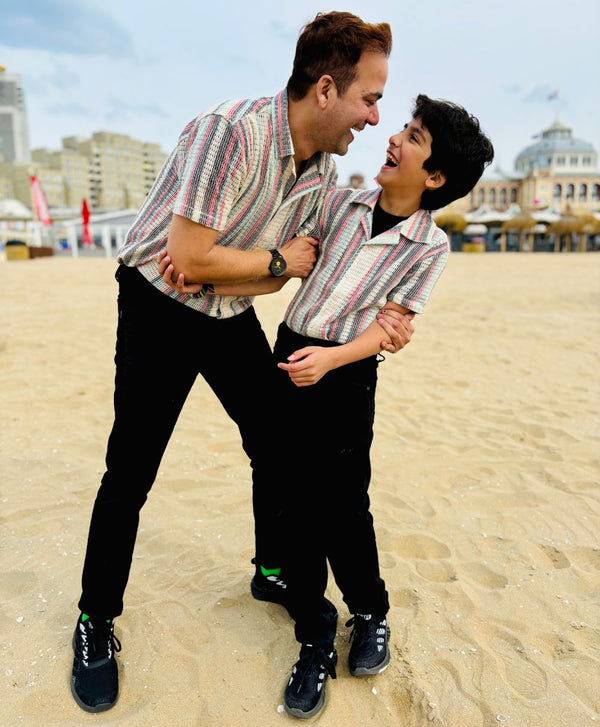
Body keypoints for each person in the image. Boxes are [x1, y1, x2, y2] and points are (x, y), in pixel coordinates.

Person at [70, 11, 410, 714]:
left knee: (279, 445)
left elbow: (259, 278)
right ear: (324, 89)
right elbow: (205, 261)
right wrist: (261, 260)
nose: (375, 118)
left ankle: (274, 570)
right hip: (157, 306)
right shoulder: (233, 131)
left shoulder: (322, 173)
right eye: (369, 98)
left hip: (226, 314)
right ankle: (94, 622)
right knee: (131, 469)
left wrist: (235, 269)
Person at [164, 94, 494, 718]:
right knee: (292, 497)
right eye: (402, 125)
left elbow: (393, 326)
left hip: (347, 372)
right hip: (291, 354)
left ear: (436, 177)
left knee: (344, 500)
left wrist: (332, 361)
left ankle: (370, 612)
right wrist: (201, 277)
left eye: (413, 136)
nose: (393, 136)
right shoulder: (338, 202)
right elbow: (284, 270)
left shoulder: (429, 248)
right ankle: (314, 638)